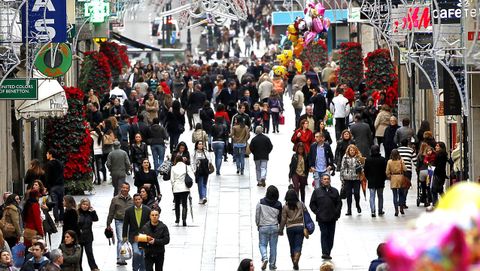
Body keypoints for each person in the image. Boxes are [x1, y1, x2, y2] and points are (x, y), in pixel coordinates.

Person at [309, 174, 342, 260]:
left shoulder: (334, 191)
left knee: (331, 235)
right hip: (322, 218)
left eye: (328, 179)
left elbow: (339, 203)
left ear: (330, 180)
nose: (326, 180)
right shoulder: (317, 191)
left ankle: (328, 251)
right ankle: (325, 252)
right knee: (324, 234)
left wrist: (336, 213)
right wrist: (317, 212)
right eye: (324, 179)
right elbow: (312, 204)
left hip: (332, 218)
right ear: (321, 180)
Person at [278, 189, 306, 270]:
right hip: (300, 226)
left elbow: (283, 219)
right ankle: (297, 258)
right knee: (298, 244)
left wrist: (281, 229)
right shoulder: (301, 204)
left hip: (290, 228)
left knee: (292, 245)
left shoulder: (285, 206)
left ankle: (294, 262)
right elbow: (306, 214)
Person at [255, 185, 281, 271]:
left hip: (263, 226)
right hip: (274, 227)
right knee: (273, 247)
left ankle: (264, 257)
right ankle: (272, 264)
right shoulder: (278, 204)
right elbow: (280, 217)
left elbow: (257, 215)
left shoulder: (261, 202)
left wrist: (258, 224)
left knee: (262, 244)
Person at [106, 183, 133, 266]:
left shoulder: (132, 200)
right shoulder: (115, 199)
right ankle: (120, 258)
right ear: (121, 188)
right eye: (123, 187)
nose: (125, 189)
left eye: (126, 188)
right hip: (119, 221)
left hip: (129, 222)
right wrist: (108, 223)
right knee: (121, 239)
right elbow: (111, 212)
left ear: (129, 189)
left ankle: (124, 256)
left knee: (126, 239)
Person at [123, 194, 151, 271]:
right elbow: (125, 224)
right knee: (136, 253)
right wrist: (124, 236)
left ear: (141, 200)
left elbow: (150, 224)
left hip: (144, 236)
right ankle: (135, 268)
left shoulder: (147, 210)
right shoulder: (128, 211)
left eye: (139, 199)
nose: (137, 201)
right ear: (133, 200)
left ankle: (142, 269)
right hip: (134, 236)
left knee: (143, 254)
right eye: (136, 199)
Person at [340, 144, 364, 215]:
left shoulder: (358, 157)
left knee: (357, 193)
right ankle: (349, 209)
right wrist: (342, 178)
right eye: (351, 150)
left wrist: (360, 168)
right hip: (347, 178)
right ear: (348, 151)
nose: (352, 151)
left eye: (353, 150)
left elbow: (362, 167)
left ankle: (357, 204)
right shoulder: (345, 157)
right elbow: (342, 167)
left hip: (356, 178)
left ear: (355, 151)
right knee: (348, 194)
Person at [364, 145, 387, 217]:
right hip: (380, 180)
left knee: (372, 196)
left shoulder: (368, 159)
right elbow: (385, 170)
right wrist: (384, 178)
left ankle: (373, 211)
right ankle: (380, 210)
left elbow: (365, 171)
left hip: (371, 181)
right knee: (380, 196)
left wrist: (368, 177)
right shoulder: (382, 159)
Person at [170, 155, 194, 226]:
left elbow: (172, 179)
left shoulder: (173, 168)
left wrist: (173, 186)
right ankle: (184, 220)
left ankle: (177, 219)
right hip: (185, 188)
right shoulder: (186, 167)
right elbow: (191, 176)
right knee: (184, 204)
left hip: (176, 188)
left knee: (177, 204)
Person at [77, 198, 99, 271]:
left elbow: (96, 219)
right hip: (79, 237)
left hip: (88, 236)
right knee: (79, 254)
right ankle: (79, 268)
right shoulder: (77, 213)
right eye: (83, 204)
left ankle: (94, 268)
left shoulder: (90, 213)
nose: (85, 206)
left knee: (89, 253)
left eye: (87, 205)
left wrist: (93, 211)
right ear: (81, 205)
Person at [44, 149, 64, 225]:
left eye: (47, 153)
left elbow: (48, 177)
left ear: (51, 154)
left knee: (55, 203)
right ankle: (62, 219)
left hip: (53, 187)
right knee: (61, 203)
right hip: (61, 185)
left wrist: (46, 187)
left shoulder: (49, 164)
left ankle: (57, 220)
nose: (46, 155)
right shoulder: (60, 163)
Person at [386, 149, 407, 216]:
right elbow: (405, 169)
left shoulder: (389, 162)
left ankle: (396, 210)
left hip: (393, 178)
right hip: (400, 177)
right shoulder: (401, 161)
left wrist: (390, 177)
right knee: (401, 194)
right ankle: (401, 208)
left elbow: (387, 172)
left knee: (395, 195)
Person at [398, 138, 417, 209]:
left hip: (399, 171)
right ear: (407, 144)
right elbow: (415, 161)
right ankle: (403, 202)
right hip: (408, 171)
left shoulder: (397, 150)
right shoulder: (411, 150)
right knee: (406, 186)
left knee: (400, 186)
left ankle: (400, 201)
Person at [432, 142, 448, 206]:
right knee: (440, 189)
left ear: (441, 147)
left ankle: (436, 204)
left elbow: (437, 164)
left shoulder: (439, 155)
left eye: (437, 146)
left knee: (434, 190)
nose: (436, 147)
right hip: (441, 174)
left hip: (438, 174)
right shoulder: (443, 154)